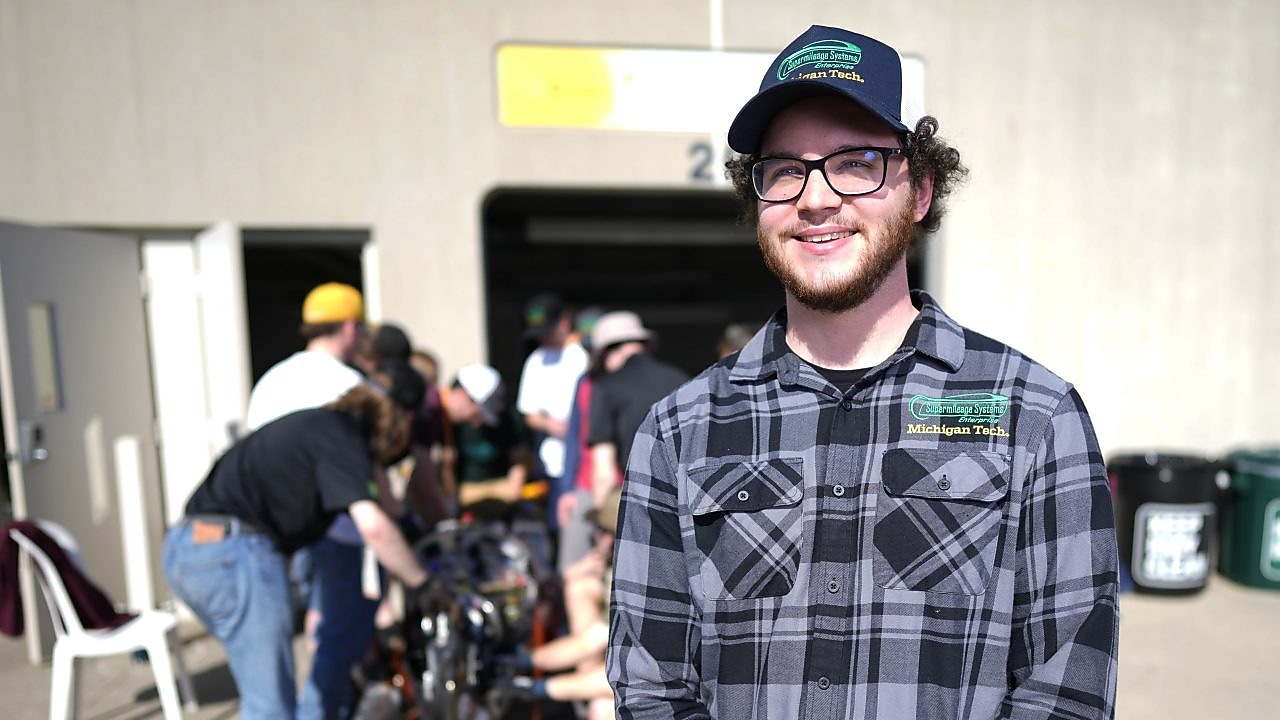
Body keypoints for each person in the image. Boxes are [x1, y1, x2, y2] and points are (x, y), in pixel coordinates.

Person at [607, 25, 1119, 720]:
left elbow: (1068, 693)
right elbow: (652, 688)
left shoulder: (1035, 416)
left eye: (855, 162)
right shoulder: (679, 431)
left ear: (918, 191)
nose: (815, 198)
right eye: (785, 169)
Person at [163, 376, 430, 720]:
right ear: (381, 436)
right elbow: (375, 526)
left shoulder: (312, 428)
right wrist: (422, 581)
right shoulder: (342, 436)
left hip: (187, 549)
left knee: (264, 689)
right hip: (232, 553)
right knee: (270, 705)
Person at [586, 311, 687, 510]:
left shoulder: (605, 387)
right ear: (645, 345)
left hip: (642, 500)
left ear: (606, 353)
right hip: (689, 497)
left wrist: (600, 516)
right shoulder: (681, 379)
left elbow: (603, 470)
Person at [516, 293, 590, 514]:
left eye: (547, 331)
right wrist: (552, 425)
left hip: (585, 458)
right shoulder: (536, 360)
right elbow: (529, 413)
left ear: (564, 322)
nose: (543, 338)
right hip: (551, 460)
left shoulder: (583, 355)